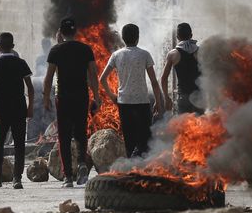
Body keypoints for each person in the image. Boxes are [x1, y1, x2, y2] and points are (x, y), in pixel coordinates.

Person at [42, 17, 99, 188]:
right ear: (75, 32)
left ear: (61, 32)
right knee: (81, 132)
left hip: (63, 98)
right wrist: (96, 96)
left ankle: (68, 177)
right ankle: (82, 163)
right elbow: (93, 76)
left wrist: (46, 97)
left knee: (64, 136)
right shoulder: (85, 49)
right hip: (81, 96)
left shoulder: (55, 51)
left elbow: (49, 77)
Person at [101, 23, 162, 158]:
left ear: (123, 38)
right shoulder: (145, 54)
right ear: (138, 37)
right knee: (144, 138)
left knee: (129, 139)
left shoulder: (116, 55)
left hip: (124, 102)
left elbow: (102, 79)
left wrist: (112, 96)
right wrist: (158, 101)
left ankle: (130, 169)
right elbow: (154, 81)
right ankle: (142, 169)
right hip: (142, 102)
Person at [0, 32, 34, 189]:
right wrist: (30, 107)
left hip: (2, 109)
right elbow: (30, 88)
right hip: (19, 108)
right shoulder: (21, 63)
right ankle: (17, 179)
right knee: (19, 144)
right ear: (13, 47)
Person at [161, 22, 203, 115]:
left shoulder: (173, 54)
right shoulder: (201, 51)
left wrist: (166, 97)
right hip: (199, 97)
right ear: (191, 35)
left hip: (183, 96)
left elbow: (164, 78)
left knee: (183, 127)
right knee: (202, 126)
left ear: (177, 37)